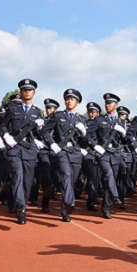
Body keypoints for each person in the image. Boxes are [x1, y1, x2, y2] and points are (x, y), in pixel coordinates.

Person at [0, 79, 44, 224]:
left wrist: (39, 130)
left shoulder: (37, 112)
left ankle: (21, 205)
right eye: (24, 89)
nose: (27, 92)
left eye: (29, 90)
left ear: (34, 93)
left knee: (27, 181)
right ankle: (22, 206)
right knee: (17, 175)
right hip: (14, 149)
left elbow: (40, 134)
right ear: (21, 92)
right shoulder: (13, 110)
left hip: (29, 150)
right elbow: (2, 126)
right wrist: (6, 136)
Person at [42, 89, 87, 222]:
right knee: (66, 175)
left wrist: (83, 132)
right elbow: (45, 131)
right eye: (67, 99)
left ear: (77, 102)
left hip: (76, 154)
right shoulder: (57, 116)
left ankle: (65, 210)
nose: (69, 101)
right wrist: (52, 144)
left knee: (70, 182)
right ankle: (69, 203)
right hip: (61, 152)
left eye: (72, 99)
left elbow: (86, 140)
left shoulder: (81, 119)